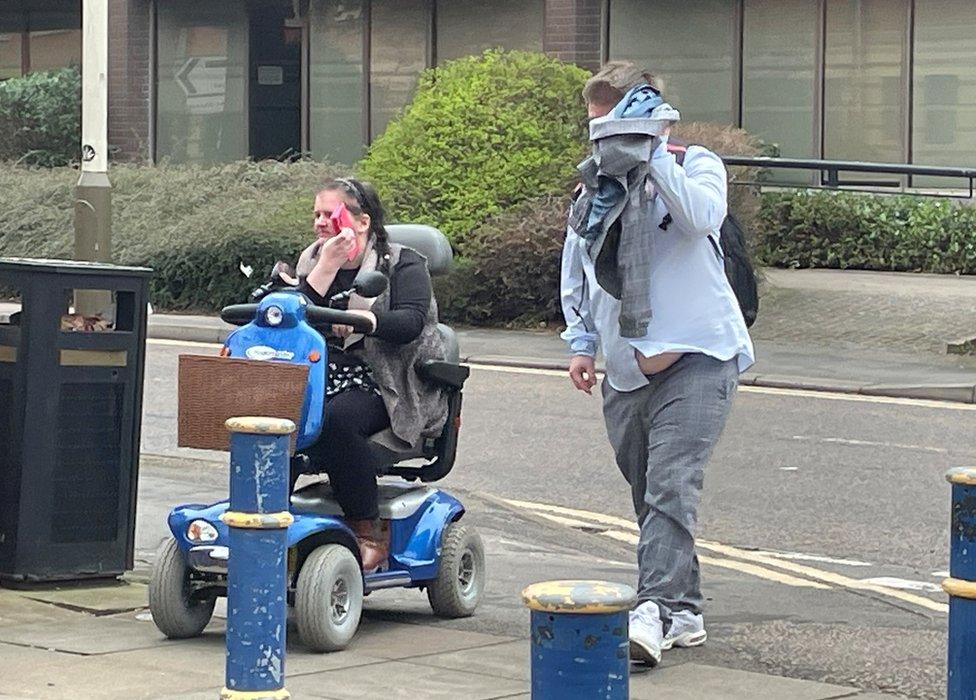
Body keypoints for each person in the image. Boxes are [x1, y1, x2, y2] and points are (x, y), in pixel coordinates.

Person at [560, 62, 755, 667]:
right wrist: (581, 342)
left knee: (672, 485)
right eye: (595, 128)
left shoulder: (695, 165)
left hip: (700, 354)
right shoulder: (594, 188)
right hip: (624, 366)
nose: (602, 141)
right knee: (650, 497)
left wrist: (655, 158)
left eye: (612, 125)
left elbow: (701, 219)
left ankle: (652, 612)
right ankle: (686, 609)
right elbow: (579, 268)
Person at [292, 177, 448, 572]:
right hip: (323, 375)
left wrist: (365, 320)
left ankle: (367, 529)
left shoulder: (403, 262)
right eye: (316, 214)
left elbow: (411, 322)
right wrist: (326, 267)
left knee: (333, 422)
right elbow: (292, 316)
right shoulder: (312, 260)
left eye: (330, 214)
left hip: (388, 380)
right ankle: (266, 520)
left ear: (361, 222)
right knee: (276, 417)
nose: (320, 223)